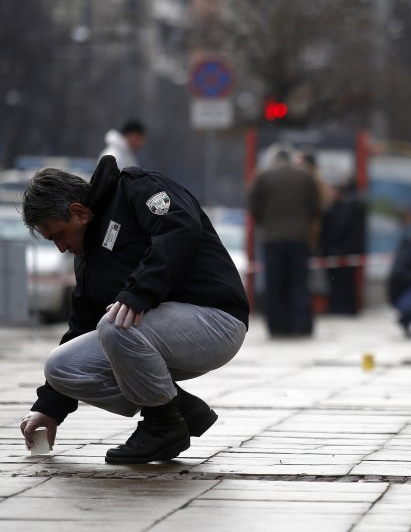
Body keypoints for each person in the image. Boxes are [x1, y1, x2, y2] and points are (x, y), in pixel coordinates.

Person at [18, 156, 249, 464]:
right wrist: (48, 410)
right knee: (62, 366)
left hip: (216, 320)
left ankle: (163, 427)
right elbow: (81, 328)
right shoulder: (88, 259)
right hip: (155, 337)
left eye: (59, 235)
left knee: (115, 325)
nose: (60, 247)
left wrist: (139, 292)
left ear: (79, 212)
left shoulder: (136, 188)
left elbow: (179, 228)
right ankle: (177, 410)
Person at [247, 150, 321, 337]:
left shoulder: (264, 176)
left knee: (274, 283)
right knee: (299, 283)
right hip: (299, 238)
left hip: (273, 238)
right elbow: (315, 207)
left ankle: (277, 325)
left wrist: (265, 222)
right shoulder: (304, 176)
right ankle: (300, 324)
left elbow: (253, 205)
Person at [320, 178, 367, 315]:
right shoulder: (357, 204)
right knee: (346, 282)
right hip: (349, 251)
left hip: (340, 251)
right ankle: (347, 308)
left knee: (340, 282)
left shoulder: (344, 206)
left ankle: (340, 307)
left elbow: (336, 229)